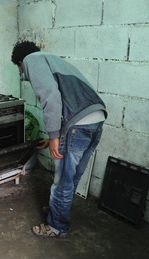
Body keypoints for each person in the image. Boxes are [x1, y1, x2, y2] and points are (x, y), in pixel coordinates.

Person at [11, 41, 107, 238]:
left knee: (63, 180)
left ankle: (56, 227)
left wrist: (55, 137)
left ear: (21, 61)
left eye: (20, 68)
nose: (23, 72)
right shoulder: (55, 60)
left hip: (78, 126)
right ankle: (59, 211)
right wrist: (53, 138)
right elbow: (69, 101)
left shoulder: (32, 60)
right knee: (72, 177)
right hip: (96, 120)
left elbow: (51, 98)